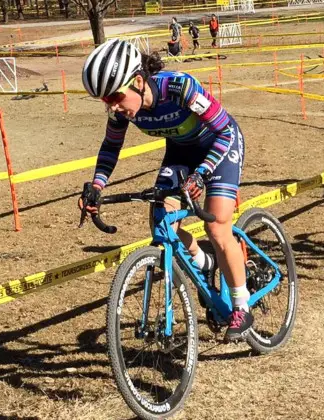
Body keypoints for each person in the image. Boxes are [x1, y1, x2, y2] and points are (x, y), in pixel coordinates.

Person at [79, 40, 251, 340]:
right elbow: (111, 147)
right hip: (181, 154)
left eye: (116, 96)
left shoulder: (179, 88)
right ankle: (204, 262)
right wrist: (96, 185)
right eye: (106, 101)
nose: (113, 106)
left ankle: (241, 305)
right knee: (163, 223)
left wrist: (202, 175)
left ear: (137, 80)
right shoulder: (120, 111)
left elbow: (224, 130)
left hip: (220, 147)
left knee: (218, 228)